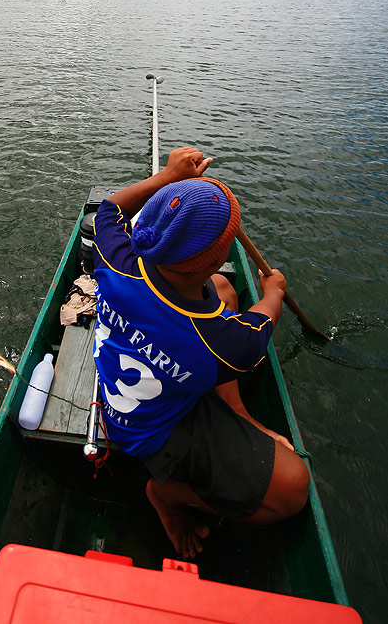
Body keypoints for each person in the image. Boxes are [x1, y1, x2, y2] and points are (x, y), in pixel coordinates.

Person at [91, 146, 310, 560]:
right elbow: (261, 323)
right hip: (155, 433)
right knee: (294, 487)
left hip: (119, 398)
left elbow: (109, 208)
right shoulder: (225, 342)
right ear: (217, 257)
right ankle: (169, 494)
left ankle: (237, 416)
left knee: (222, 293)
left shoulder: (116, 259)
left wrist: (166, 176)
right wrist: (274, 293)